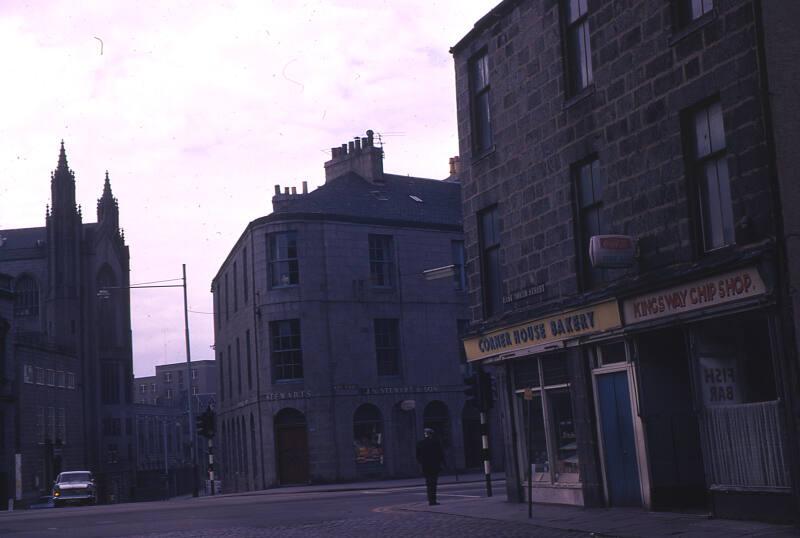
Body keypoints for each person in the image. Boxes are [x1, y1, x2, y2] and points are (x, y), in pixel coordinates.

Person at [416, 427, 446, 505]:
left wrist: (422, 462)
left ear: (425, 434)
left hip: (426, 467)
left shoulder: (421, 443)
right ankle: (433, 500)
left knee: (428, 484)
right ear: (431, 434)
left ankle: (430, 500)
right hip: (435, 466)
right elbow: (441, 455)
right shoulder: (436, 442)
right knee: (433, 484)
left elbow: (418, 456)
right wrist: (443, 464)